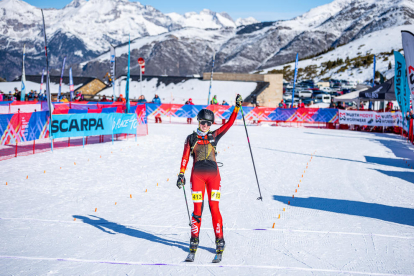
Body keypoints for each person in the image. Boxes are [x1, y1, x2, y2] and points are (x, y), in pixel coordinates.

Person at [176, 94, 243, 260]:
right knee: (197, 211)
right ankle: (194, 240)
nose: (205, 125)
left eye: (208, 123)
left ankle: (220, 240)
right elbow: (185, 157)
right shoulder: (191, 138)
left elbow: (229, 124)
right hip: (196, 178)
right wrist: (181, 174)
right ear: (198, 121)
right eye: (203, 122)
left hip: (214, 177)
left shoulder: (214, 135)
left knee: (214, 209)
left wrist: (236, 107)